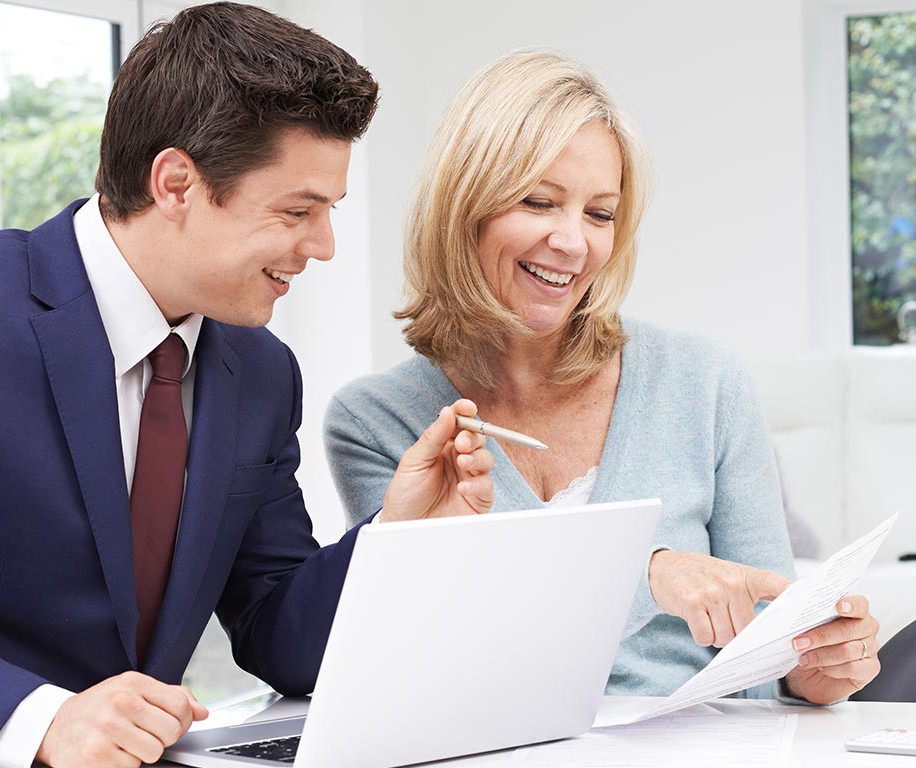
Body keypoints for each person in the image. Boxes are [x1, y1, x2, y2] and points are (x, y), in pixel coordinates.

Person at [0, 5, 495, 768]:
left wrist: (397, 538)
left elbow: (275, 633)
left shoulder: (258, 371)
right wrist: (40, 723)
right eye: (298, 211)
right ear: (176, 182)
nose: (320, 246)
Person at [324, 49, 881, 705]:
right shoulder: (374, 422)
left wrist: (814, 670)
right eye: (538, 201)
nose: (572, 242)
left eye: (599, 214)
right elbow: (447, 646)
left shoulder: (704, 380)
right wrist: (648, 573)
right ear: (462, 206)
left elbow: (769, 634)